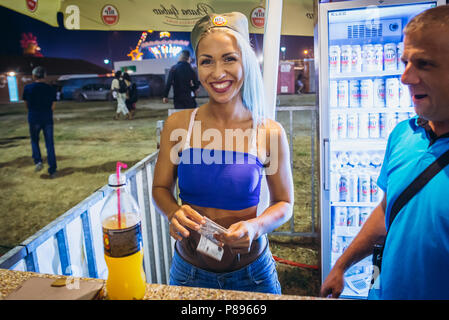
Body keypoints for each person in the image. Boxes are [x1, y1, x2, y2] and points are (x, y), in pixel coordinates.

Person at [152, 12, 294, 294]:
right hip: (188, 272)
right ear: (197, 67)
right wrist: (172, 212)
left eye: (229, 58)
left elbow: (284, 203)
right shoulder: (178, 125)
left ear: (246, 62)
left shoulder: (269, 132)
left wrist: (255, 227)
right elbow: (160, 187)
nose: (217, 73)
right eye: (207, 61)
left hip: (253, 275)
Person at [320, 5, 449, 300]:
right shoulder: (404, 133)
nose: (405, 78)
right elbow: (387, 210)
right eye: (405, 62)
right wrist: (341, 265)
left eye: (425, 64)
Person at [22, 66, 58, 178]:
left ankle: (38, 161)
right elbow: (53, 106)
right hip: (47, 118)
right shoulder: (50, 88)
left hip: (34, 118)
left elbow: (26, 105)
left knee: (34, 141)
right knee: (49, 144)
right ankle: (52, 169)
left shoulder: (28, 88)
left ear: (34, 76)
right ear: (45, 76)